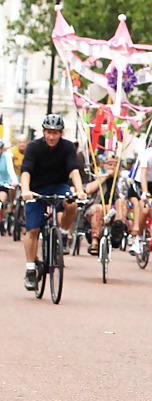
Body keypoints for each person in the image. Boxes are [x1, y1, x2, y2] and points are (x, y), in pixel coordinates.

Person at [19, 114, 87, 290]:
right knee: (32, 230)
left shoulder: (67, 147)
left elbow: (74, 170)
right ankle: (30, 270)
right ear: (43, 132)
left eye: (55, 133)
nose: (51, 136)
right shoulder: (34, 147)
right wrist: (25, 191)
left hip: (58, 187)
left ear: (61, 133)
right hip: (35, 189)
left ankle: (62, 234)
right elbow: (25, 171)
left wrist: (79, 190)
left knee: (71, 204)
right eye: (48, 132)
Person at [82, 155, 129, 254]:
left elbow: (127, 197)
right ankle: (94, 241)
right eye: (109, 165)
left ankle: (118, 229)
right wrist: (104, 177)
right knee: (98, 208)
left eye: (115, 165)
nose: (112, 168)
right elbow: (88, 190)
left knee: (121, 202)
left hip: (116, 211)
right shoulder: (99, 177)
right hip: (98, 208)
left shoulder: (122, 181)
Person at [0, 139, 17, 207]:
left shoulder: (6, 156)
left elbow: (11, 169)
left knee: (1, 201)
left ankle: (10, 206)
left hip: (3, 185)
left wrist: (14, 181)